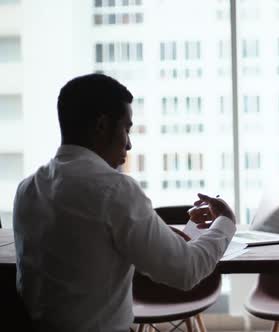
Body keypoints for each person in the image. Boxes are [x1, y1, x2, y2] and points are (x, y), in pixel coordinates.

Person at [12, 73, 236, 332]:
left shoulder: (27, 189)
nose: (129, 144)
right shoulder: (114, 190)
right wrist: (225, 222)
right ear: (102, 126)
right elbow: (186, 271)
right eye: (126, 129)